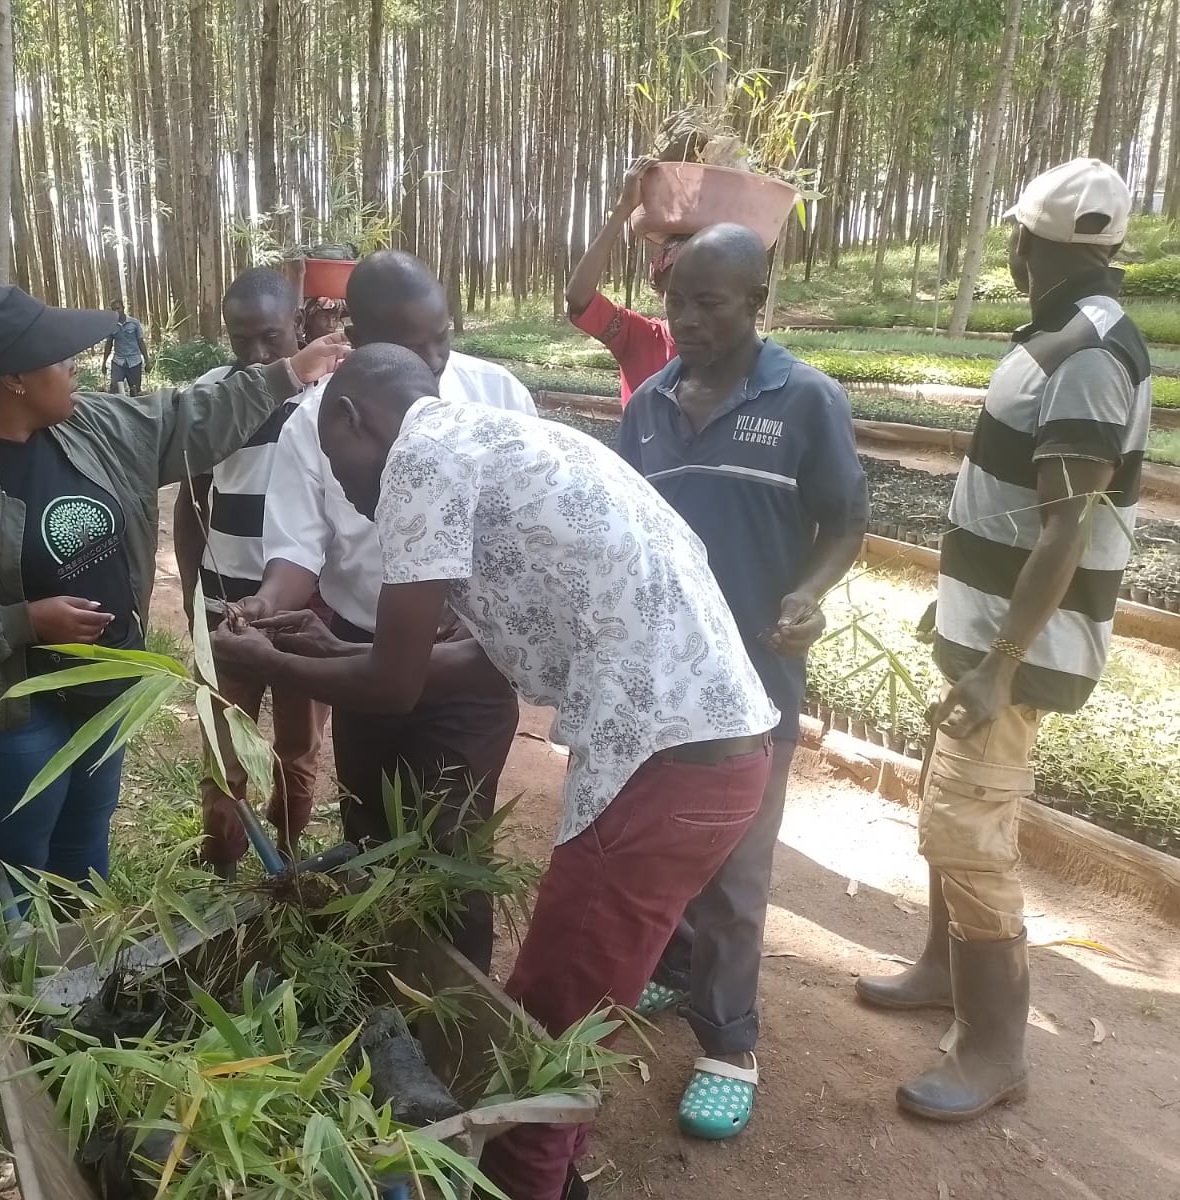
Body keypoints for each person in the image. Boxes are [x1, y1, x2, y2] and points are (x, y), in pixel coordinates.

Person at [212, 344, 779, 1200]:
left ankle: (524, 1184)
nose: (352, 498)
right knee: (571, 1009)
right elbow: (490, 650)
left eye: (338, 469)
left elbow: (395, 687)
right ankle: (554, 1175)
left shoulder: (420, 456)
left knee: (540, 1036)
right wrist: (343, 646)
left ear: (356, 421)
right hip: (706, 761)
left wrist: (260, 660)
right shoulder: (495, 439)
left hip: (665, 776)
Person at [0, 283, 345, 929]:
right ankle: (10, 997)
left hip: (105, 689)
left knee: (83, 849)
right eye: (60, 358)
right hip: (9, 714)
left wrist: (291, 371)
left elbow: (187, 417)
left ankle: (79, 974)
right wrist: (23, 621)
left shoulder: (93, 425)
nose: (75, 367)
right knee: (12, 868)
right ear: (12, 379)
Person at [855, 159, 1150, 1121]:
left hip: (1015, 652)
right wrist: (967, 615)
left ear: (1030, 244)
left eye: (1017, 235)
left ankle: (993, 1049)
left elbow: (1066, 527)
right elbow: (1023, 507)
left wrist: (1001, 662)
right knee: (951, 808)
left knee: (970, 833)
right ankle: (942, 971)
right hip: (988, 632)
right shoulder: (1068, 335)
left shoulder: (1093, 354)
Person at [616, 223, 869, 1139]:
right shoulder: (647, 405)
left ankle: (730, 1045)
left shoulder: (806, 400)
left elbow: (844, 524)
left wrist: (807, 591)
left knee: (736, 871)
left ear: (757, 302)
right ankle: (671, 968)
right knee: (660, 842)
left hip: (756, 680)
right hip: (659, 677)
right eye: (676, 300)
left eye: (708, 303)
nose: (683, 320)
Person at [238, 250, 537, 971]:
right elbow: (296, 551)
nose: (434, 358)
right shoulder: (315, 420)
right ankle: (384, 992)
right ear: (360, 341)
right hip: (358, 653)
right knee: (371, 835)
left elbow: (525, 541)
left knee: (454, 847)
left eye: (442, 335)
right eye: (411, 344)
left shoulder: (495, 395)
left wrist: (476, 617)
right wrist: (261, 607)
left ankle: (460, 1018)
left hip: (468, 664)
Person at [172, 268, 331, 874]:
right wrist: (193, 601)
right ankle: (222, 867)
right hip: (224, 608)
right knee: (223, 751)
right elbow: (191, 503)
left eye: (269, 337)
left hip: (302, 610)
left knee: (297, 749)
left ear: (297, 323)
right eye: (241, 341)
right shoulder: (216, 391)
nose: (256, 355)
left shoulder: (328, 396)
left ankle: (285, 867)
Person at [566, 157, 684, 406]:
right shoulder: (639, 337)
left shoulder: (730, 354)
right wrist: (623, 208)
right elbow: (578, 298)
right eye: (677, 297)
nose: (692, 311)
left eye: (705, 297)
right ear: (660, 293)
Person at [100, 301, 147, 394]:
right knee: (115, 389)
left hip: (134, 361)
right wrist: (104, 362)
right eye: (114, 309)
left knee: (135, 390)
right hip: (118, 361)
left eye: (118, 308)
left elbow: (141, 342)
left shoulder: (134, 323)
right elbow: (108, 344)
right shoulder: (111, 326)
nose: (116, 311)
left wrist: (147, 361)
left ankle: (134, 406)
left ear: (123, 308)